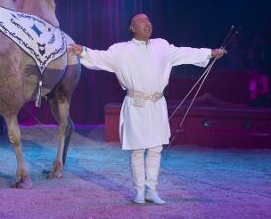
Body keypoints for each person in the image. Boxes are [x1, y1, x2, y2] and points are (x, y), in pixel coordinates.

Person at [68, 13, 226, 204]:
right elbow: (100, 57)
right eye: (142, 21)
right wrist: (83, 51)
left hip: (157, 104)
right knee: (137, 149)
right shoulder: (121, 50)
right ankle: (139, 191)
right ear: (132, 28)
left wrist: (209, 53)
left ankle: (152, 189)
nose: (147, 23)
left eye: (149, 20)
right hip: (136, 105)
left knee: (155, 148)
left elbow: (186, 52)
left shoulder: (162, 46)